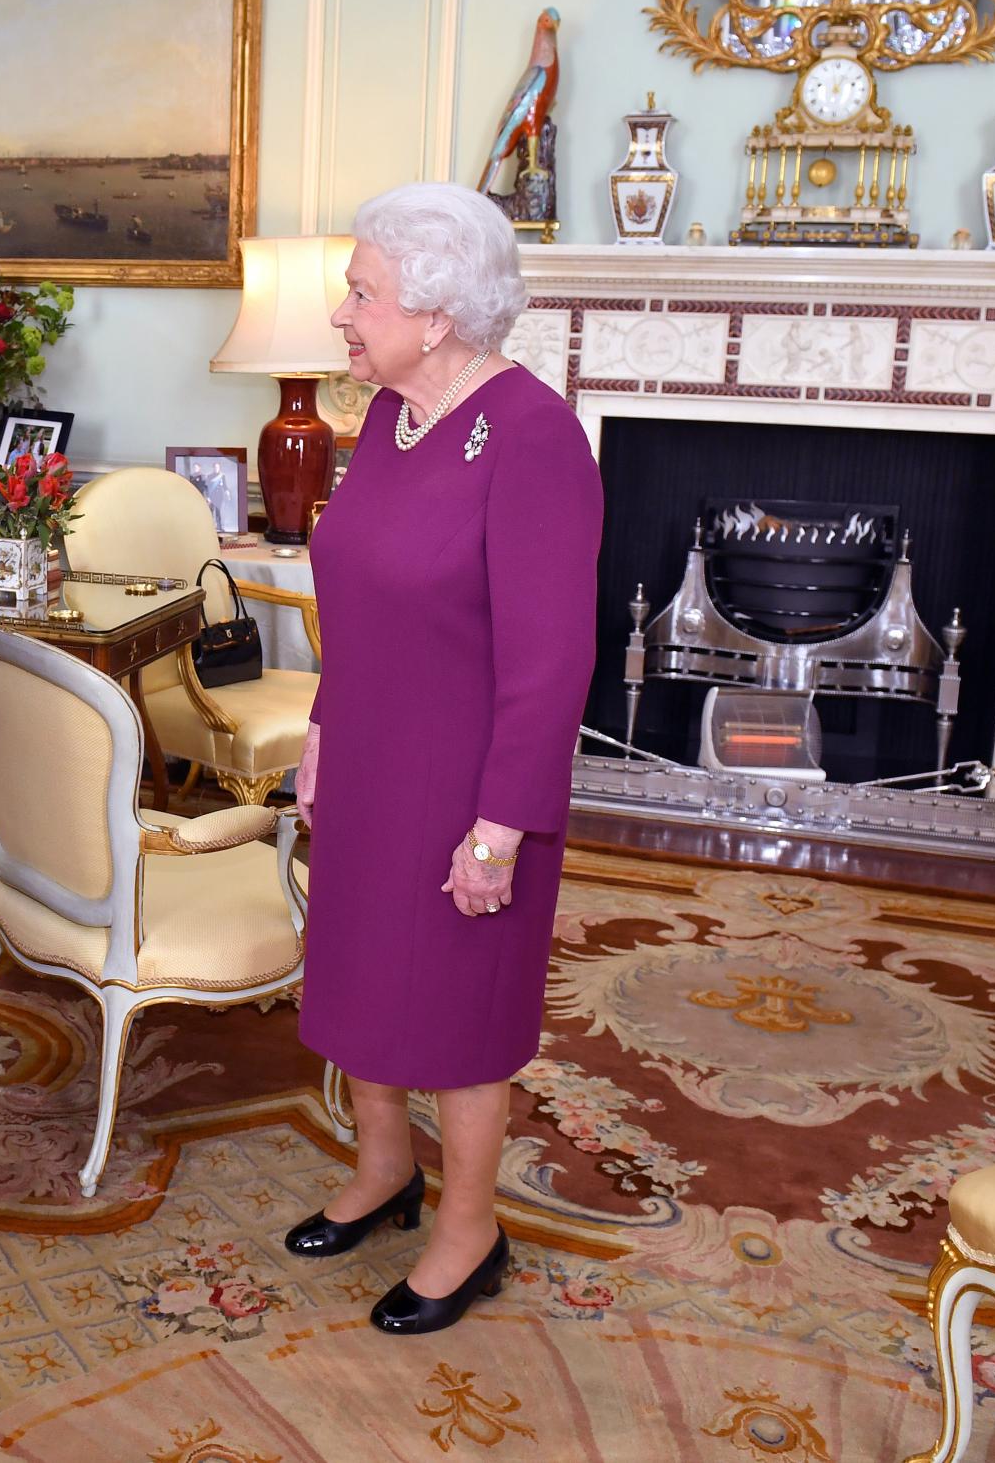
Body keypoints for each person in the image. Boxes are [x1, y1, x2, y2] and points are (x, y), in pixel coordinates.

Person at [287, 182, 602, 1335]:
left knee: (463, 1010)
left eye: (361, 293)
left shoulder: (532, 436)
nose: (341, 314)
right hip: (371, 757)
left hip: (473, 782)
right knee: (359, 974)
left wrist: (501, 825)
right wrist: (324, 728)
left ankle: (470, 1228)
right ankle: (383, 1170)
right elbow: (357, 597)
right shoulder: (390, 416)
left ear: (436, 313)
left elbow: (551, 658)